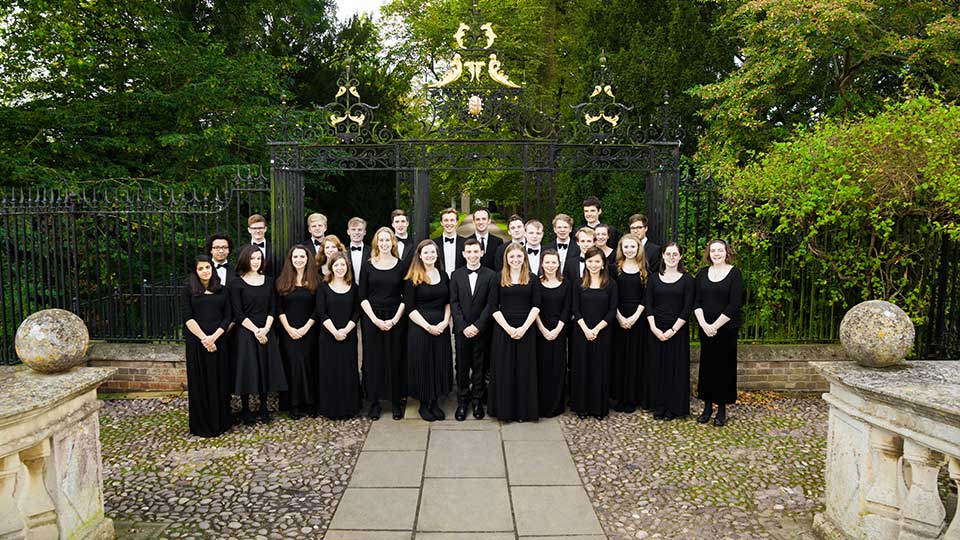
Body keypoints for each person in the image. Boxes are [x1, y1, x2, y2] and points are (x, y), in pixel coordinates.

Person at [229, 245, 287, 425]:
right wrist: (256, 331)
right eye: (252, 258)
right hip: (246, 333)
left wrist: (266, 330)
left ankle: (263, 407)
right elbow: (238, 314)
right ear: (245, 259)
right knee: (247, 369)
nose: (256, 262)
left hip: (265, 330)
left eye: (258, 258)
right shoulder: (236, 283)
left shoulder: (269, 281)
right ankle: (246, 409)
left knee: (264, 368)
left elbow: (273, 308)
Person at [693, 239, 745, 427]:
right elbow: (696, 301)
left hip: (726, 330)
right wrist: (705, 324)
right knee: (707, 368)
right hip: (705, 329)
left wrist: (715, 325)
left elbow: (735, 304)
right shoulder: (702, 274)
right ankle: (707, 407)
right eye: (713, 250)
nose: (716, 253)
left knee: (724, 369)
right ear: (709, 253)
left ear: (726, 252)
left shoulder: (734, 273)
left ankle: (721, 409)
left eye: (720, 250)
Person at [359, 227, 408, 420]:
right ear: (376, 243)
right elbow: (362, 296)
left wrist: (395, 319)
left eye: (388, 240)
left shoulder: (402, 265)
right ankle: (375, 402)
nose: (385, 243)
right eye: (382, 240)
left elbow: (406, 296)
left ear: (393, 243)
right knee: (373, 360)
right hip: (372, 317)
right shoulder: (368, 265)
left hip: (396, 316)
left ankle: (396, 401)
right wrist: (375, 319)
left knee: (395, 358)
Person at [489, 243, 541, 422]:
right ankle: (506, 411)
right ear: (506, 259)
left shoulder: (533, 279)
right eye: (512, 257)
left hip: (526, 327)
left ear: (524, 258)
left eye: (519, 256)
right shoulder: (498, 278)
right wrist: (509, 328)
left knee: (524, 370)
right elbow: (493, 307)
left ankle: (523, 411)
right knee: (505, 369)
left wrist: (524, 328)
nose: (515, 260)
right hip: (504, 328)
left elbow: (536, 305)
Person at [182, 255, 232, 437]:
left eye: (208, 268)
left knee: (220, 381)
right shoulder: (188, 290)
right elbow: (187, 317)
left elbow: (228, 317)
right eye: (201, 268)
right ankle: (201, 424)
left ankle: (222, 422)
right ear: (195, 271)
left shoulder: (223, 290)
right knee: (199, 382)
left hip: (219, 341)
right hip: (197, 342)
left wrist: (214, 337)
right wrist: (205, 338)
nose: (205, 271)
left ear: (212, 269)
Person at [404, 240, 454, 421]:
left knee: (439, 361)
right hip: (420, 327)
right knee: (422, 363)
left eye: (433, 252)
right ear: (420, 255)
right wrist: (427, 326)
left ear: (437, 254)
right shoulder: (412, 278)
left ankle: (435, 401)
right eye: (426, 252)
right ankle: (424, 403)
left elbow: (448, 302)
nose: (430, 255)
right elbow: (410, 308)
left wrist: (444, 322)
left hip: (440, 325)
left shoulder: (444, 275)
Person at [645, 242, 694, 420]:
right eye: (668, 254)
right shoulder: (653, 278)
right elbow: (648, 304)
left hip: (677, 330)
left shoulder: (688, 279)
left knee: (676, 369)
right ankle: (659, 406)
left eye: (675, 254)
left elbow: (687, 308)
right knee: (657, 368)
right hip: (656, 328)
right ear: (663, 256)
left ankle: (674, 408)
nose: (671, 257)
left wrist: (673, 330)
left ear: (680, 256)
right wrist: (654, 328)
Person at [449, 238, 496, 421]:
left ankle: (477, 400)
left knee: (480, 365)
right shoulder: (456, 275)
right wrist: (463, 326)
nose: (472, 255)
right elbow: (454, 303)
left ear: (482, 253)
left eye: (476, 252)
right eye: (469, 252)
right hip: (462, 330)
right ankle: (462, 401)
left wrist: (477, 326)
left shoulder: (491, 275)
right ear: (463, 254)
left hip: (482, 329)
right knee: (461, 366)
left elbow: (491, 305)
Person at [570, 247, 618, 419]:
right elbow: (575, 308)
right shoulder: (578, 283)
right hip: (581, 332)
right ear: (586, 262)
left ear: (603, 263)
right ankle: (581, 408)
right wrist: (586, 329)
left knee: (600, 369)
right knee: (582, 369)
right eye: (590, 261)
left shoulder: (611, 284)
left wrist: (597, 329)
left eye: (597, 261)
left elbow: (613, 310)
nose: (593, 264)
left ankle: (598, 408)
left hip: (603, 333)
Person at [315, 252, 362, 419]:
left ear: (347, 266)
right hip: (328, 336)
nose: (340, 268)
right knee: (330, 371)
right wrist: (335, 331)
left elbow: (357, 312)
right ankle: (330, 409)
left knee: (348, 370)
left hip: (348, 335)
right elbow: (321, 312)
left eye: (343, 265)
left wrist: (346, 330)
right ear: (331, 267)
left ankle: (349, 408)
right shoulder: (323, 287)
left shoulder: (354, 287)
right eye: (336, 265)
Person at [276, 245, 319, 419]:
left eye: (302, 256)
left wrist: (306, 328)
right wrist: (288, 328)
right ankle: (293, 404)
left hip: (309, 330)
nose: (299, 260)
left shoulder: (316, 281)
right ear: (290, 259)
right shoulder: (282, 281)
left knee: (308, 365)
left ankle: (310, 402)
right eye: (295, 257)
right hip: (288, 331)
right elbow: (278, 308)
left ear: (308, 259)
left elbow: (318, 308)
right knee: (292, 366)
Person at [611, 234, 648, 413]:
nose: (629, 250)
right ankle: (620, 397)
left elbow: (646, 296)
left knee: (635, 358)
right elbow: (612, 296)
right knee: (620, 358)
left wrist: (635, 317)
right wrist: (619, 317)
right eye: (626, 247)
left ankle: (632, 398)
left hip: (638, 318)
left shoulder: (645, 269)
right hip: (618, 317)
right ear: (621, 248)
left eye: (632, 246)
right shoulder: (614, 269)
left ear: (638, 247)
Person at [204, 234, 236, 416]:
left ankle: (228, 403)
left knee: (229, 366)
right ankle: (213, 404)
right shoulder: (204, 271)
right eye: (217, 247)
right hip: (210, 326)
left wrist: (231, 323)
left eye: (224, 247)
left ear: (229, 250)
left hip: (232, 324)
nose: (221, 250)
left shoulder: (236, 271)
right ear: (211, 250)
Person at [535, 249, 569, 417]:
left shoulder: (566, 283)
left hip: (559, 330)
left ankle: (556, 405)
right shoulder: (536, 282)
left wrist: (557, 330)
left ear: (558, 263)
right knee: (541, 367)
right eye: (547, 262)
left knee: (557, 367)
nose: (550, 265)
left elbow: (566, 309)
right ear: (542, 264)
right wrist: (542, 329)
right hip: (540, 329)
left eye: (553, 262)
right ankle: (541, 404)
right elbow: (535, 308)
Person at [433, 208, 465, 277]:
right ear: (441, 223)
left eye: (452, 220)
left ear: (456, 222)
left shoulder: (465, 243)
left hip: (460, 282)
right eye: (446, 220)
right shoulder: (434, 244)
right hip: (440, 282)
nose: (449, 223)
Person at [346, 217, 371, 285]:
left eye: (359, 230)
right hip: (348, 289)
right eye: (353, 229)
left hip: (368, 291)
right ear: (348, 232)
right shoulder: (343, 252)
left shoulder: (372, 252)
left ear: (364, 232)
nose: (356, 232)